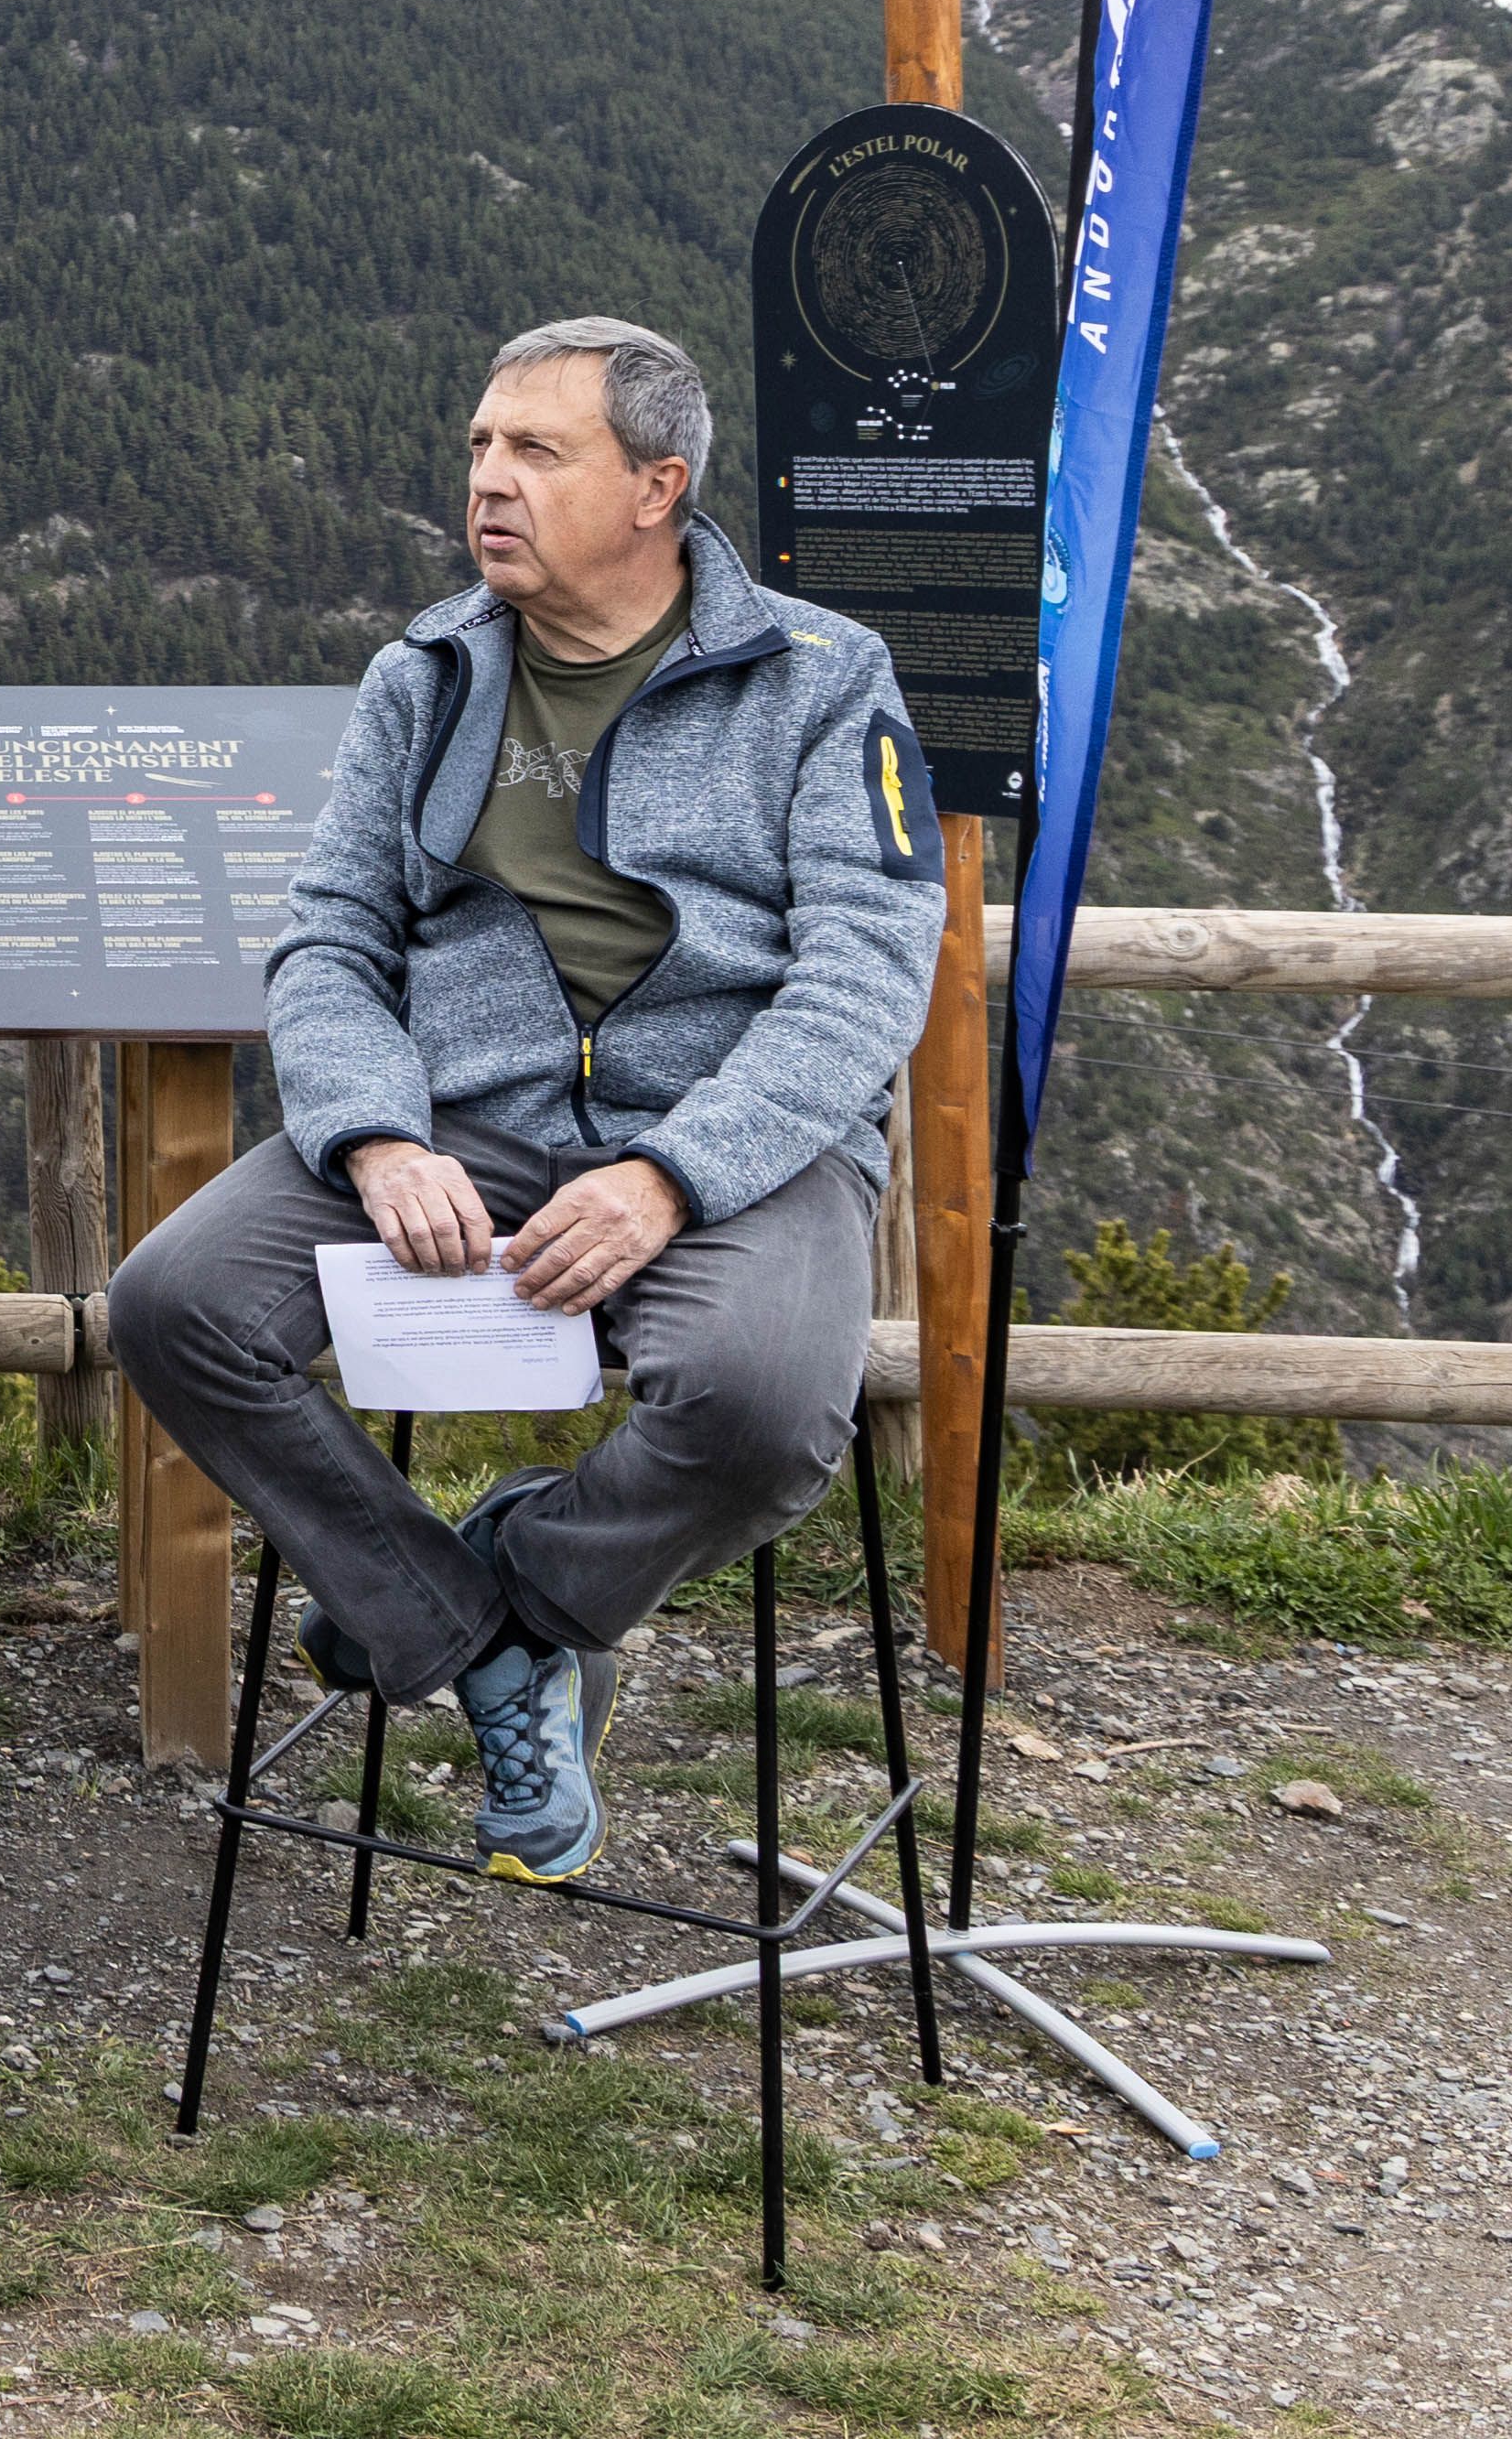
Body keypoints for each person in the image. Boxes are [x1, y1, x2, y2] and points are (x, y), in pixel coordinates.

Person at [110, 317, 941, 1882]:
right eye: (483, 446)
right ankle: (487, 1643)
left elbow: (864, 980)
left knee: (760, 1415)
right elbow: (331, 938)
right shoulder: (424, 675)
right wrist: (370, 1129)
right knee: (174, 1303)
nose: (489, 482)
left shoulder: (825, 683)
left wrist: (669, 1179)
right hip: (461, 1120)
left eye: (537, 452)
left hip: (731, 1142)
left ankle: (525, 1579)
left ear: (657, 487)